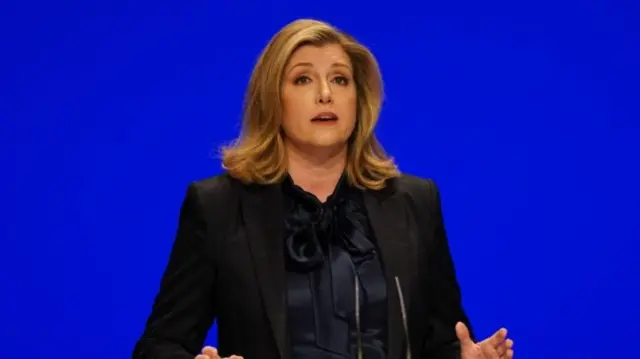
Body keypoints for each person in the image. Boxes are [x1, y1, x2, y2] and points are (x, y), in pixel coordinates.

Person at [132, 19, 514, 359]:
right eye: (302, 79)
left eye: (339, 79)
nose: (325, 94)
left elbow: (442, 339)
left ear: (358, 99)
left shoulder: (414, 202)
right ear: (272, 100)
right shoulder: (219, 206)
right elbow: (159, 345)